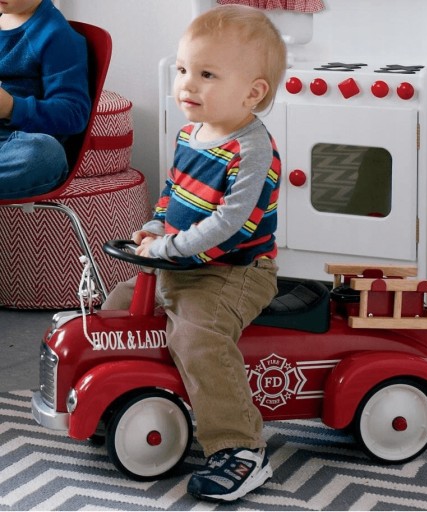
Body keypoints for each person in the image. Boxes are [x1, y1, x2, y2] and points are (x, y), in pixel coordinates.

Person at [102, 4, 286, 502]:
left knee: (198, 335)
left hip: (233, 272)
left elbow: (229, 226)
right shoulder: (191, 134)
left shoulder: (253, 152)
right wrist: (152, 229)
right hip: (178, 262)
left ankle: (240, 448)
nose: (187, 83)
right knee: (116, 308)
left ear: (252, 92)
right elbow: (173, 198)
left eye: (207, 74)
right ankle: (130, 398)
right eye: (184, 69)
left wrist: (169, 248)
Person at [0, 0, 90, 200]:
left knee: (46, 155)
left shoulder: (57, 35)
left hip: (14, 144)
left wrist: (12, 107)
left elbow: (74, 113)